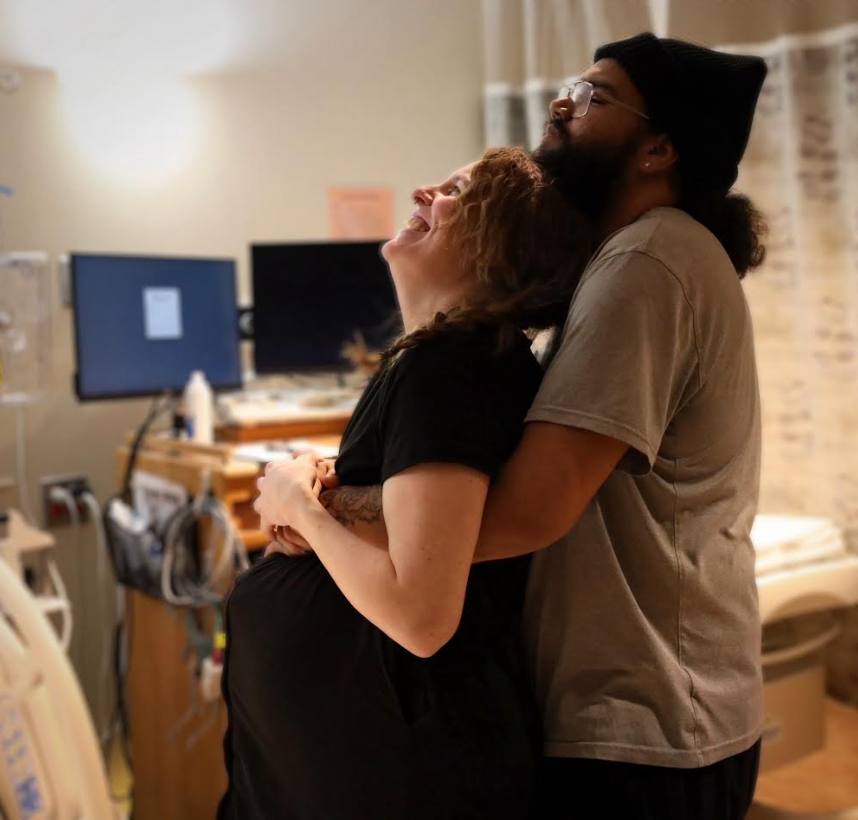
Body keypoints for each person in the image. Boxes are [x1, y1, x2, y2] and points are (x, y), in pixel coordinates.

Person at [276, 33, 771, 820]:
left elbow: (526, 511)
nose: (561, 102)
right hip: (630, 714)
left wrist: (309, 509)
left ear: (659, 149)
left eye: (597, 96)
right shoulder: (627, 264)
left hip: (643, 726)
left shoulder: (648, 259)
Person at [217, 146, 593, 819]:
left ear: (499, 251)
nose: (425, 190)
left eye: (458, 190)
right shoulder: (444, 365)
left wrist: (302, 511)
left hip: (398, 755)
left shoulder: (448, 368)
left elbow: (421, 616)